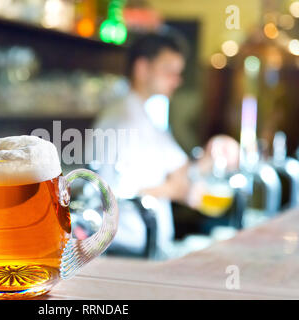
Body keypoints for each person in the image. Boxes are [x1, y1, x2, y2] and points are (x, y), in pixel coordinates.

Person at [90, 31, 239, 259]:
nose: (177, 80)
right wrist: (177, 189)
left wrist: (215, 152)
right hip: (125, 251)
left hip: (151, 247)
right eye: (170, 72)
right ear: (142, 69)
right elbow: (111, 195)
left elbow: (182, 170)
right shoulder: (118, 121)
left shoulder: (147, 117)